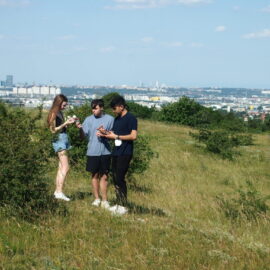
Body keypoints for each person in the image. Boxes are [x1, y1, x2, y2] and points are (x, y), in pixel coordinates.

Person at [98, 96, 137, 215]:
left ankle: (123, 205)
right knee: (115, 178)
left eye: (115, 109)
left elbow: (133, 136)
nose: (113, 111)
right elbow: (114, 133)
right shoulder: (117, 119)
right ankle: (118, 203)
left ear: (121, 106)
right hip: (116, 151)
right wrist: (105, 133)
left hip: (125, 152)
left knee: (120, 178)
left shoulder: (131, 118)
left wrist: (116, 137)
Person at [77, 99, 114, 209]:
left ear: (102, 108)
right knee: (94, 176)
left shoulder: (110, 119)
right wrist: (80, 129)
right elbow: (83, 137)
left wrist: (104, 133)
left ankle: (105, 200)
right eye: (92, 109)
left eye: (96, 108)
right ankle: (96, 199)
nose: (93, 111)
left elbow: (113, 135)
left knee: (104, 176)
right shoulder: (88, 119)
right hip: (92, 151)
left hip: (106, 152)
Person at [47, 94, 75, 201]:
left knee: (61, 167)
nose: (65, 106)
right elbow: (53, 130)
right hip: (59, 140)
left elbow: (60, 127)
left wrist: (67, 123)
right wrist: (65, 124)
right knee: (65, 167)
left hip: (63, 138)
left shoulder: (59, 112)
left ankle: (57, 191)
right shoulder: (53, 113)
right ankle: (59, 192)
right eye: (64, 104)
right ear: (59, 103)